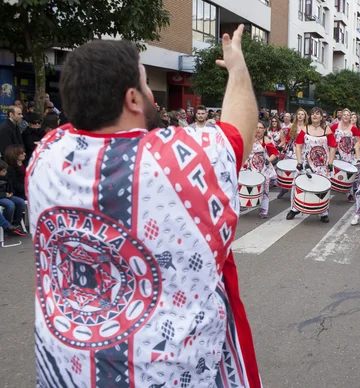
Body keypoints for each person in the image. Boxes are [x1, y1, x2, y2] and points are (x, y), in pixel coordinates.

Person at [28, 26, 262, 387]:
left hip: (68, 371)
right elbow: (238, 132)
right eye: (145, 81)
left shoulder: (45, 155)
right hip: (164, 373)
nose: (152, 92)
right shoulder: (173, 161)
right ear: (133, 101)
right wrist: (237, 68)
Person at [286, 107, 337, 223]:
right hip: (306, 162)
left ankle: (324, 212)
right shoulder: (305, 128)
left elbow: (333, 146)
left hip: (322, 164)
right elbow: (298, 145)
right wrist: (299, 162)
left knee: (323, 186)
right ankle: (294, 208)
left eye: (317, 114)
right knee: (298, 185)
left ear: (321, 117)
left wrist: (330, 163)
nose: (314, 115)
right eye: (313, 114)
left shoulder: (327, 130)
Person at [242, 122, 277, 218]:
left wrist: (268, 160)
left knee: (265, 189)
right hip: (249, 167)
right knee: (247, 186)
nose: (258, 129)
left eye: (260, 127)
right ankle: (244, 203)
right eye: (256, 127)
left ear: (264, 129)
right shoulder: (249, 139)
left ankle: (263, 209)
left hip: (262, 167)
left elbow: (274, 153)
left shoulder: (266, 140)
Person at [331, 108, 360, 203]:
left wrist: (355, 152)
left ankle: (349, 194)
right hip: (336, 154)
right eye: (344, 114)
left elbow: (359, 142)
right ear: (341, 116)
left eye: (347, 115)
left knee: (348, 175)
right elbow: (329, 137)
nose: (345, 116)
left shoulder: (353, 128)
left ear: (350, 117)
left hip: (348, 155)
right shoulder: (335, 126)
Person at [276, 108, 308, 199]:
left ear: (305, 116)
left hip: (302, 150)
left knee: (299, 170)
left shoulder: (307, 127)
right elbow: (288, 139)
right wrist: (284, 149)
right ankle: (284, 188)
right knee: (287, 168)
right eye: (299, 114)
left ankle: (298, 190)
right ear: (296, 116)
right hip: (292, 149)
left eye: (302, 114)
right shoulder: (292, 127)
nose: (300, 116)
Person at [0, 160, 27, 236]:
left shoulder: (6, 176)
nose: (5, 172)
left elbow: (11, 186)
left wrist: (11, 192)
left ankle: (16, 224)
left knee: (21, 202)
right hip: (2, 196)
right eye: (3, 171)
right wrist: (4, 195)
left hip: (6, 195)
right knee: (10, 204)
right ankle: (7, 227)